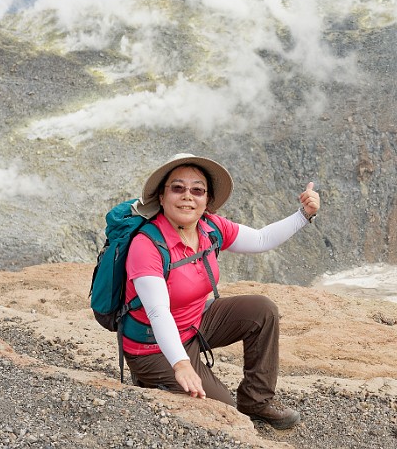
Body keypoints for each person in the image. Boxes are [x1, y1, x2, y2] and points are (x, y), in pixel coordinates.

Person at [122, 153, 320, 430]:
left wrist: (304, 214)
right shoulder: (146, 245)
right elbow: (157, 311)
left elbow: (261, 239)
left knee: (261, 310)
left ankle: (256, 402)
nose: (187, 196)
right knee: (222, 412)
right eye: (177, 188)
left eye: (197, 190)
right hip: (153, 346)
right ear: (162, 197)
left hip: (194, 325)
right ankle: (152, 379)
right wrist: (180, 364)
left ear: (207, 200)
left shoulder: (210, 227)